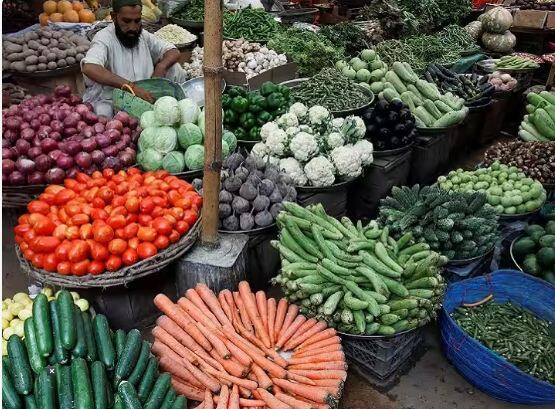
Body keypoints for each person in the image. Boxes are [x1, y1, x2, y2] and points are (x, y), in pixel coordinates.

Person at [81, 0, 187, 117]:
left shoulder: (142, 35)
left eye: (137, 21)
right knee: (103, 114)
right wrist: (131, 87)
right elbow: (89, 67)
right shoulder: (103, 38)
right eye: (126, 21)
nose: (132, 27)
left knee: (174, 68)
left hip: (146, 95)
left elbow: (173, 51)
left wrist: (161, 67)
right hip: (115, 99)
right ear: (114, 17)